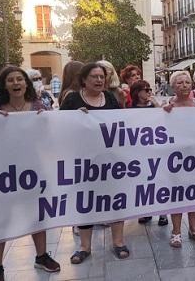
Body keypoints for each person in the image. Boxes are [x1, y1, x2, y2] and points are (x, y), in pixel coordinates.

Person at [0, 66, 62, 280]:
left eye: (20, 79)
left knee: (36, 214)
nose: (16, 83)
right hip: (3, 172)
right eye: (11, 80)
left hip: (33, 170)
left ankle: (41, 256)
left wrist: (46, 120)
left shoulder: (38, 105)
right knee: (0, 219)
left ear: (26, 83)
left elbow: (52, 135)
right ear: (4, 85)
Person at [59, 62, 130, 263]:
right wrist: (75, 119)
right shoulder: (72, 99)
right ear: (84, 80)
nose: (99, 80)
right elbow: (59, 127)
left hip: (109, 161)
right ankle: (84, 246)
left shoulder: (110, 98)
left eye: (102, 77)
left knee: (116, 199)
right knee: (86, 201)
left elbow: (120, 125)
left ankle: (118, 242)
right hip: (83, 161)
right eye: (94, 77)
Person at [162, 71, 195, 247]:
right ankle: (175, 232)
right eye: (180, 82)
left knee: (193, 193)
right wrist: (163, 113)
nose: (184, 85)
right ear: (173, 86)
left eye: (187, 82)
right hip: (174, 157)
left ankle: (194, 229)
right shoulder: (167, 105)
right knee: (177, 194)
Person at [129, 80, 169, 226]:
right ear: (136, 92)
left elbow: (163, 122)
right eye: (145, 90)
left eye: (150, 89)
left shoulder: (156, 106)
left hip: (157, 150)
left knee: (160, 182)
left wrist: (157, 106)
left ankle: (163, 214)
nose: (149, 92)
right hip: (139, 152)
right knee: (143, 183)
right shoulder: (129, 109)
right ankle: (146, 212)